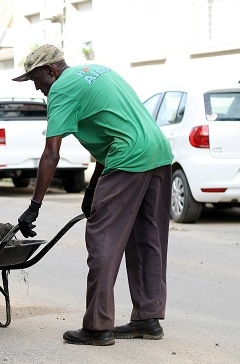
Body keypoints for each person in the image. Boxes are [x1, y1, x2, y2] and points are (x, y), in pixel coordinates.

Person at [12, 45, 173, 346]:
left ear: (51, 71)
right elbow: (109, 132)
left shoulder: (61, 89)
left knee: (103, 239)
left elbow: (51, 154)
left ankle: (98, 326)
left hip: (128, 159)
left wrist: (34, 206)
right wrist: (90, 188)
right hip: (159, 153)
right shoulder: (97, 71)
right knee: (147, 239)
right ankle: (148, 318)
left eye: (37, 80)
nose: (37, 88)